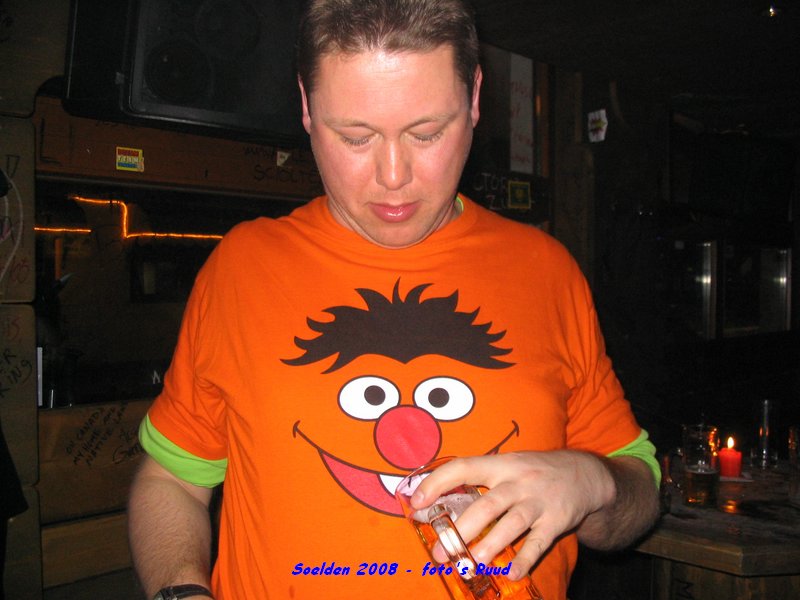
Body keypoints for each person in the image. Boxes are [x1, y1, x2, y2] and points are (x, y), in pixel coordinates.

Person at [128, 0, 660, 598]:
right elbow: (172, 479)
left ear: (475, 97)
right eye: (355, 137)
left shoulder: (548, 271)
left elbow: (638, 493)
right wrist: (181, 592)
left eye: (426, 133)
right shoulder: (241, 268)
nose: (392, 176)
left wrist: (592, 481)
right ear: (306, 106)